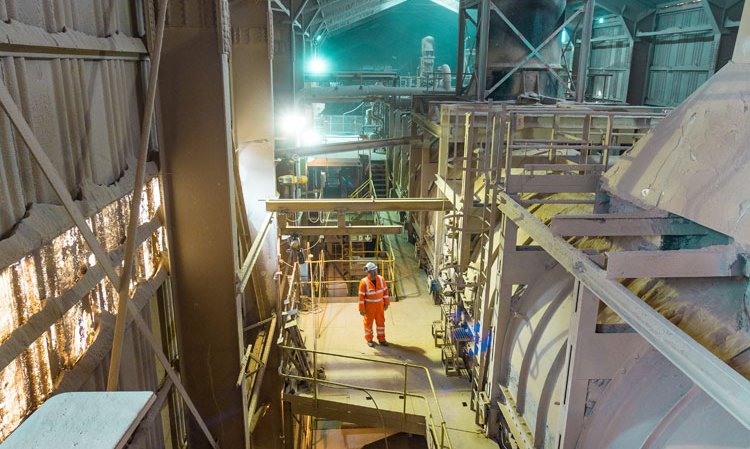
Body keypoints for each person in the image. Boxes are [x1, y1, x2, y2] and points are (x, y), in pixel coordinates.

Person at [358, 262, 390, 347]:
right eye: (373, 271)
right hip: (369, 306)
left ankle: (382, 339)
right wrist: (361, 309)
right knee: (368, 323)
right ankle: (369, 339)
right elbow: (361, 298)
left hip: (380, 305)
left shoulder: (381, 279)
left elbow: (385, 291)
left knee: (381, 322)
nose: (375, 273)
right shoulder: (363, 282)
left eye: (375, 270)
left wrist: (386, 303)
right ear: (369, 272)